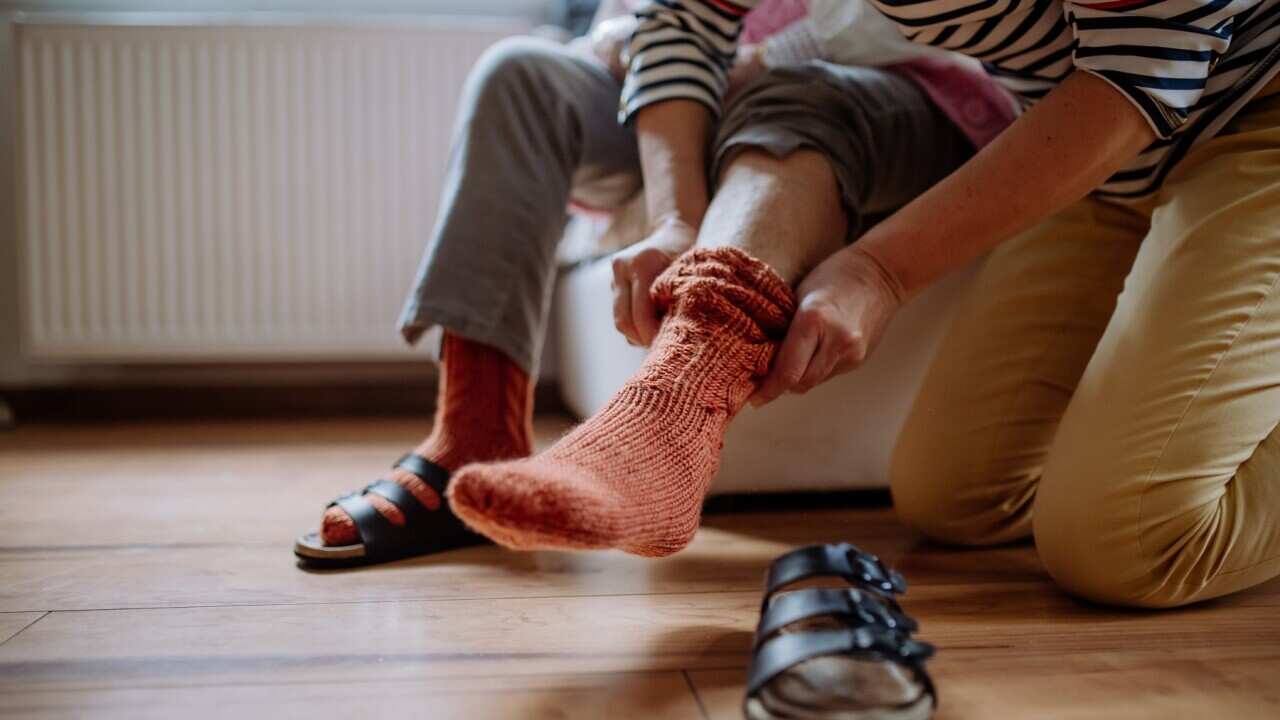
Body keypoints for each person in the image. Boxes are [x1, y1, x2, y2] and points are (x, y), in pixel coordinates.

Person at [452, 0, 1280, 611]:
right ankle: (667, 417)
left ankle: (663, 422)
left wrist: (879, 270)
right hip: (1113, 162)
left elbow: (1134, 75)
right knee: (950, 501)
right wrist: (674, 216)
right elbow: (685, 13)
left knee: (1127, 546)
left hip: (1248, 119)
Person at [293, 0, 1017, 565]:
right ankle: (473, 435)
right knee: (519, 75)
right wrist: (675, 217)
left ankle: (663, 428)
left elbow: (890, 27)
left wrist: (761, 58)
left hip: (889, 84)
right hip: (708, 83)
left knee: (799, 92)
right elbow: (672, 24)